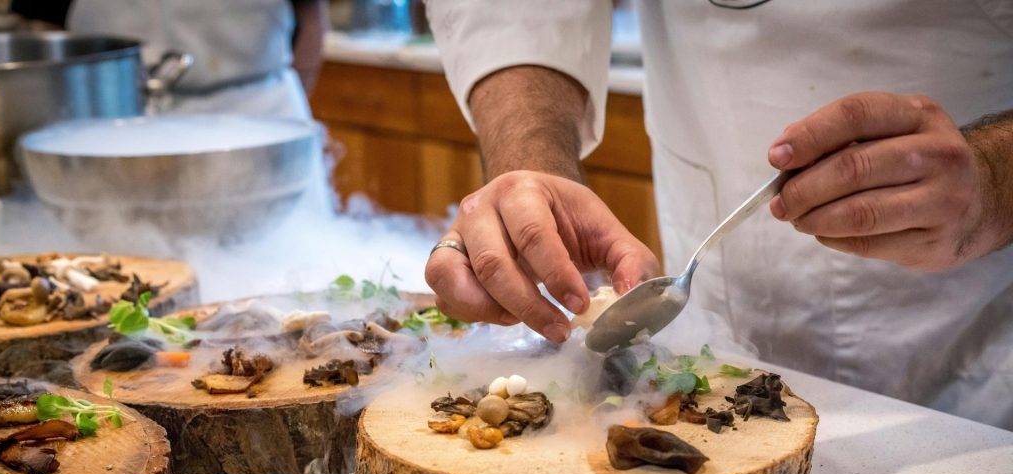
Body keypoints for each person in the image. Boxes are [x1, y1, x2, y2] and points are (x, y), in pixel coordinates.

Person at [422, 1, 1013, 429]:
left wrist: (992, 177)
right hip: (715, 284)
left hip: (968, 371)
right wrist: (532, 167)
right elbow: (516, 15)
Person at [11, 0, 328, 119]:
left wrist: (301, 123)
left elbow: (312, 17)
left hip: (259, 113)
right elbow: (49, 30)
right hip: (116, 122)